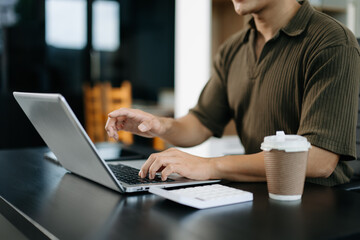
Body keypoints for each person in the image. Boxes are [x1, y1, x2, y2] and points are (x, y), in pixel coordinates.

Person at [106, 0, 360, 186]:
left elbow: (320, 159)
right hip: (255, 194)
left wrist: (208, 165)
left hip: (318, 205)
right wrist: (159, 125)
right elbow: (201, 123)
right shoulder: (233, 48)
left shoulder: (332, 42)